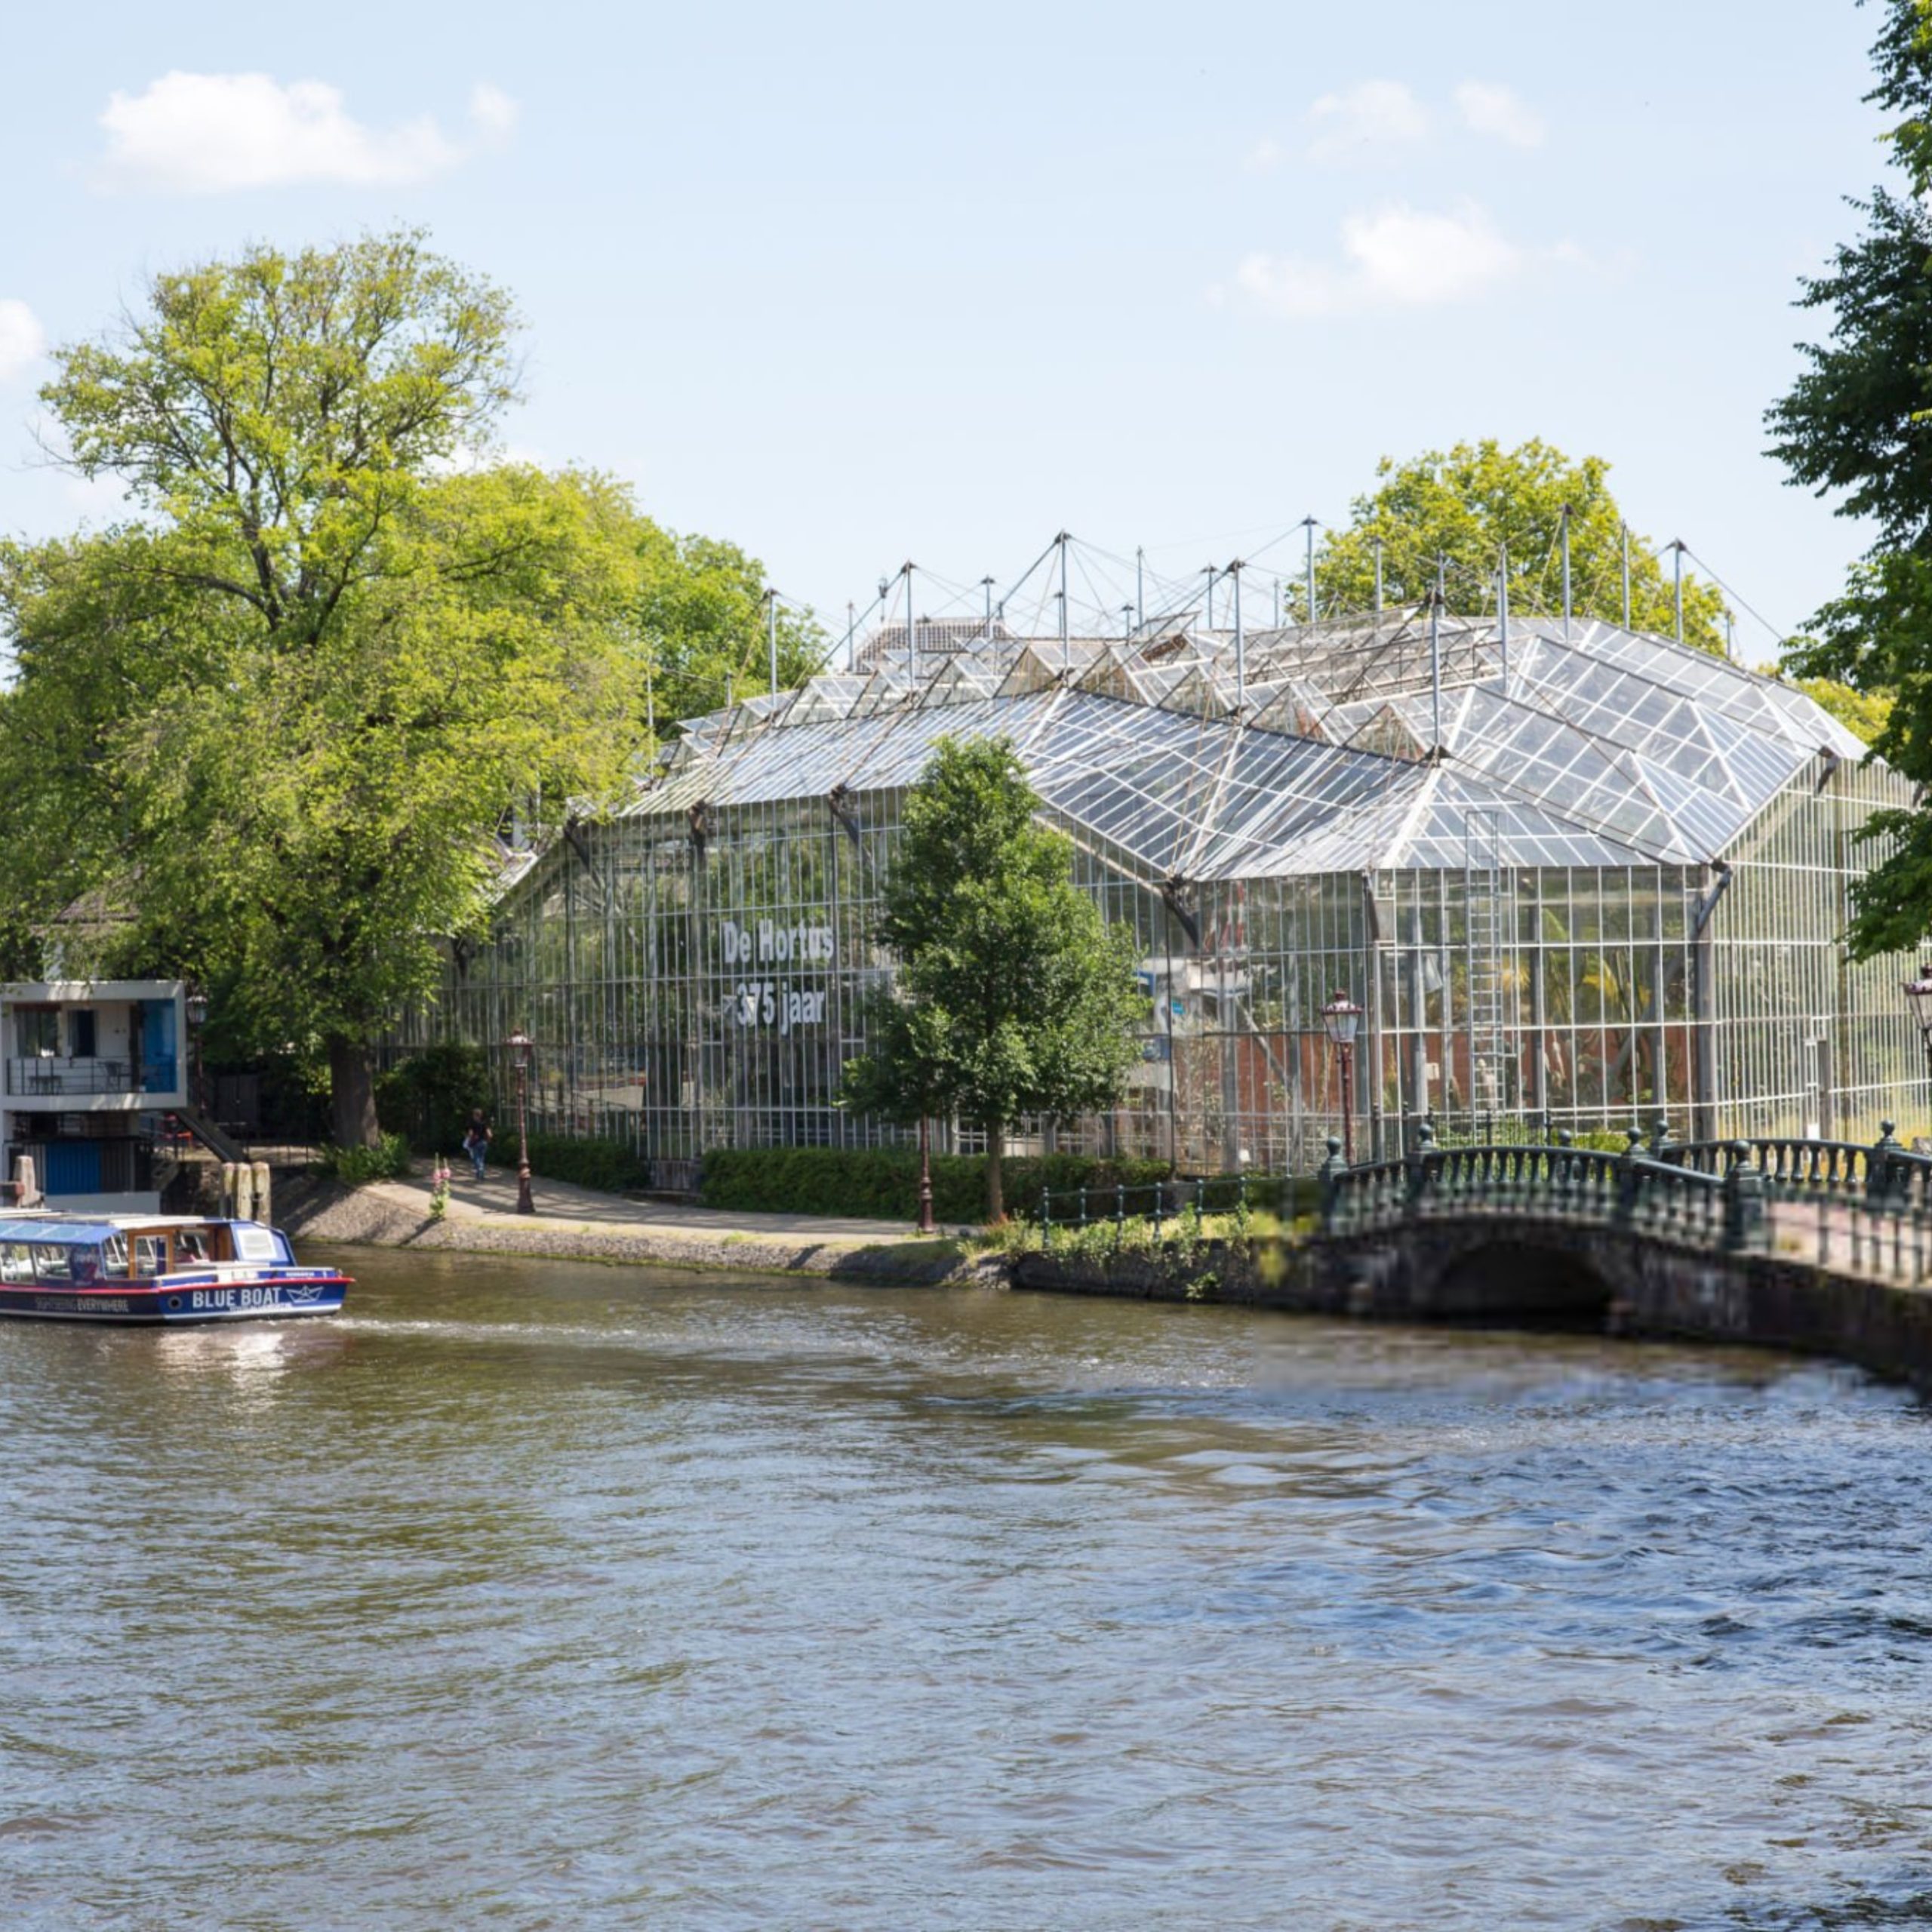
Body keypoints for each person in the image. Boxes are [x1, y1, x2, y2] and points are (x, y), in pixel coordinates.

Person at [463, 1109, 492, 1181]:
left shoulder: (472, 1124)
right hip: (484, 1143)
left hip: (476, 1143)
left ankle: (480, 1172)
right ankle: (480, 1175)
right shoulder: (484, 1123)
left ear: (475, 1115)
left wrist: (468, 1140)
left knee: (476, 1159)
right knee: (482, 1158)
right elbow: (490, 1134)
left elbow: (470, 1134)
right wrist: (488, 1140)